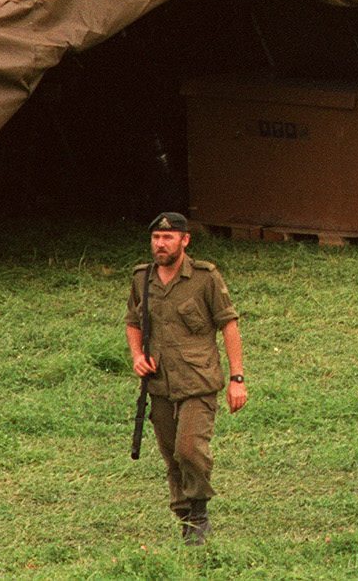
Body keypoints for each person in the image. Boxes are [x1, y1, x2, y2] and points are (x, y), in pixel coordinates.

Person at [127, 212, 246, 546]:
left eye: (168, 238)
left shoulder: (205, 278)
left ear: (184, 240)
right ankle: (185, 517)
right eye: (156, 239)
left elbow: (229, 324)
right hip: (160, 381)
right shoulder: (142, 279)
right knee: (171, 454)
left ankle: (199, 512)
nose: (160, 244)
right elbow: (132, 322)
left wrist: (237, 378)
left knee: (189, 448)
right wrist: (137, 356)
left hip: (198, 379)